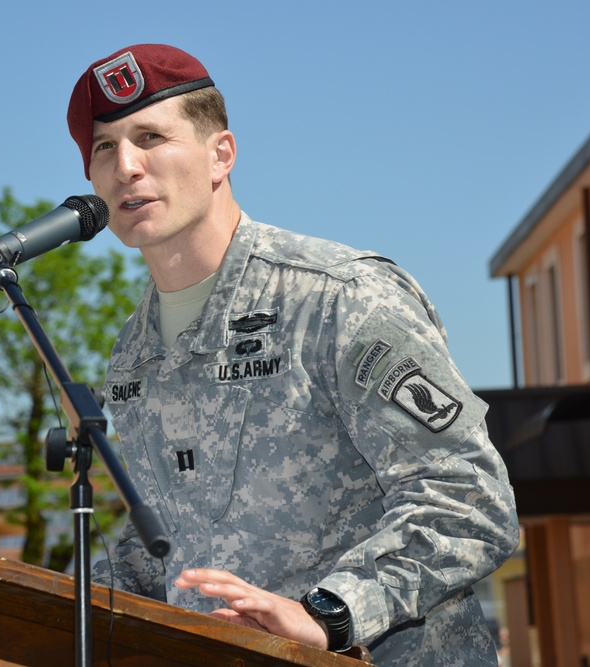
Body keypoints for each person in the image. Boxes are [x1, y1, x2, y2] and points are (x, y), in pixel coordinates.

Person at [67, 43, 519, 665]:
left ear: (220, 153)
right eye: (104, 148)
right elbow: (171, 546)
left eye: (150, 137)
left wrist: (330, 614)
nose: (127, 166)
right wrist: (54, 599)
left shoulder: (338, 297)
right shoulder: (134, 355)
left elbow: (468, 499)